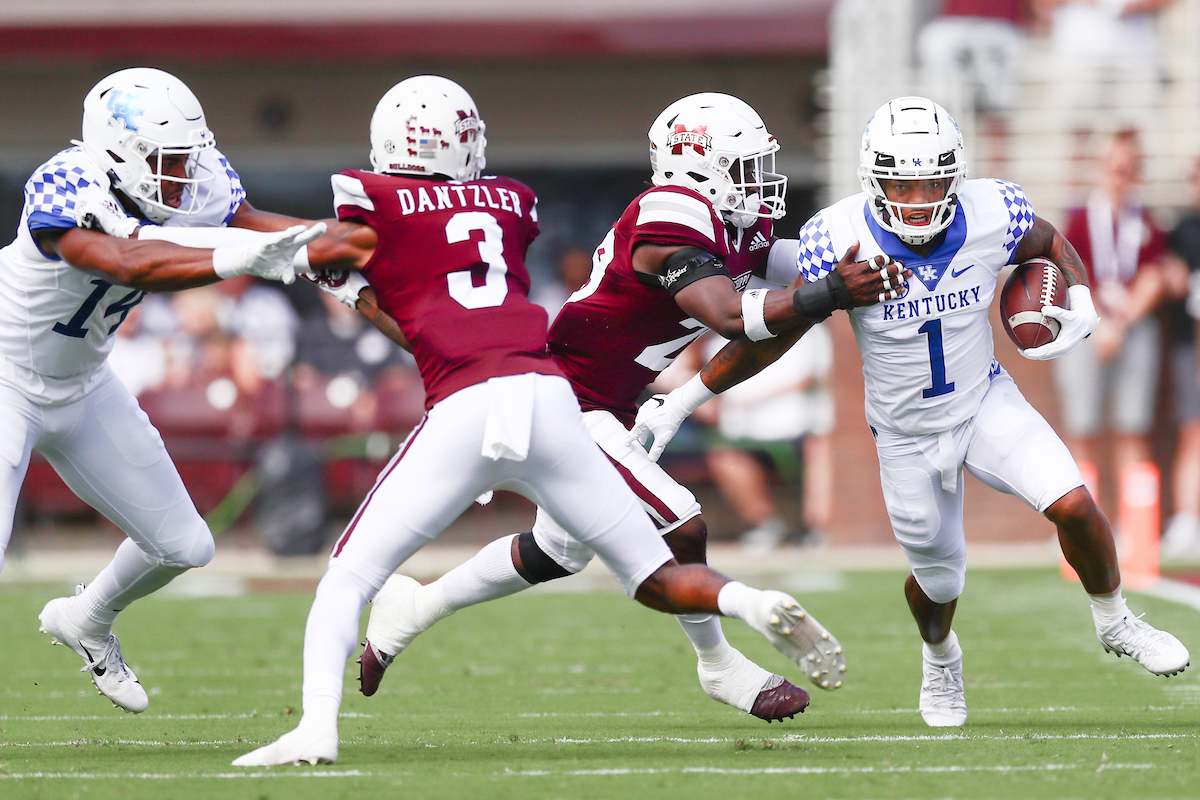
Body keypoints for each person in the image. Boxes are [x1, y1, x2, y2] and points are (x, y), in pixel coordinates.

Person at [227, 78, 896, 767]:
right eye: (747, 166)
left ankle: (415, 610)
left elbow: (789, 284)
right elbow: (738, 316)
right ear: (701, 164)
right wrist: (829, 290)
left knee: (559, 552)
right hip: (570, 397)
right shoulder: (671, 214)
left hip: (595, 399)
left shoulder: (739, 224)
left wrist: (859, 260)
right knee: (680, 522)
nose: (762, 182)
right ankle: (719, 665)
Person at [628, 97, 1190, 728]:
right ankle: (940, 655)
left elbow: (1048, 240)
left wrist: (1079, 292)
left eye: (934, 180)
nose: (920, 197)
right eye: (903, 182)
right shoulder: (836, 238)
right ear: (874, 178)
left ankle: (1116, 621)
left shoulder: (991, 208)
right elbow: (774, 336)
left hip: (984, 402)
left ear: (957, 173)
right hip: (903, 434)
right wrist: (684, 399)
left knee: (1074, 503)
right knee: (940, 580)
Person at [0, 67, 320, 714]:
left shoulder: (192, 181)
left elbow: (252, 222)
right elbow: (124, 261)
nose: (184, 176)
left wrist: (337, 243)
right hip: (6, 380)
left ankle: (86, 618)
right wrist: (231, 258)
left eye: (187, 158)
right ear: (119, 152)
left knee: (185, 546)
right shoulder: (67, 183)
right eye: (168, 161)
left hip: (85, 384)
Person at [1052, 130, 1168, 501]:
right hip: (1085, 328)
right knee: (1082, 429)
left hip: (1130, 328)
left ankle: (1136, 534)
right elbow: (1072, 270)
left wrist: (1119, 325)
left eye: (1128, 168)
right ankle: (1082, 533)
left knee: (1133, 429)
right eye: (1114, 167)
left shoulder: (1147, 219)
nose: (1120, 175)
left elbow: (1153, 278)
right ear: (1100, 168)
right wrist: (1100, 324)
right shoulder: (1080, 216)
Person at [1160, 157, 1200, 556]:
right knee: (1193, 432)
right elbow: (1172, 280)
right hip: (1193, 345)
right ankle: (1188, 519)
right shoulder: (1185, 229)